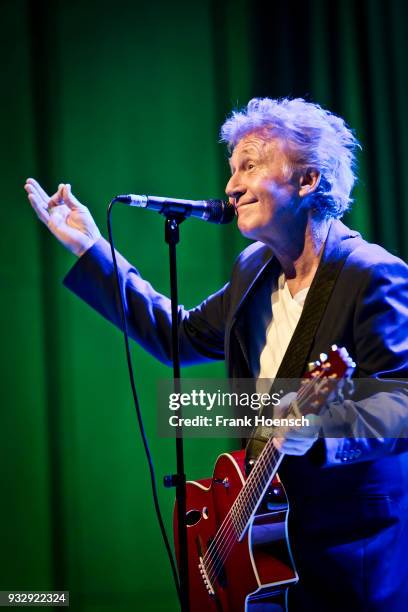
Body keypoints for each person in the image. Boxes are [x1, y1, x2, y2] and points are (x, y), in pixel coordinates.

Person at [25, 97, 408, 611]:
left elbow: (400, 405)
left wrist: (319, 428)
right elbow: (176, 336)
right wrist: (93, 249)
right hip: (262, 546)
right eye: (232, 169)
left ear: (307, 180)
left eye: (249, 165)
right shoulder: (253, 269)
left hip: (346, 553)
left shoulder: (372, 273)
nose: (230, 186)